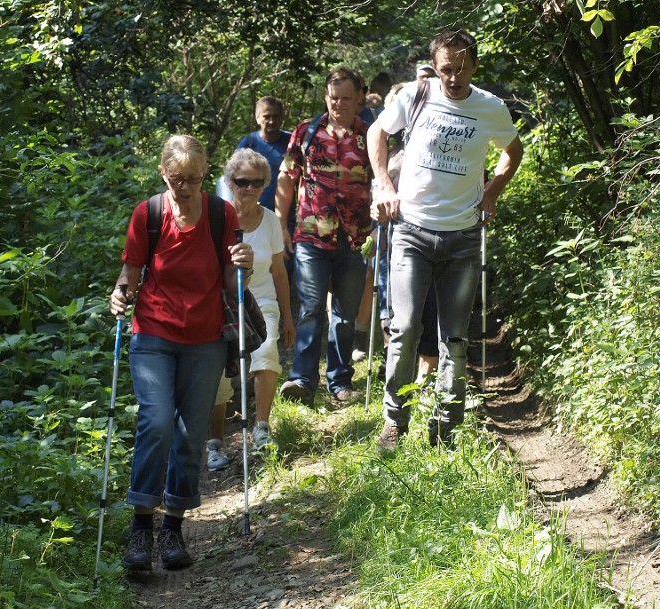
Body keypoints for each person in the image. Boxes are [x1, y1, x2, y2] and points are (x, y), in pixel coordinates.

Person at [368, 29, 523, 449]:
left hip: (463, 236)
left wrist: (491, 193)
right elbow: (377, 134)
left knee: (454, 338)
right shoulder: (416, 95)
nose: (453, 78)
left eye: (460, 68)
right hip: (412, 231)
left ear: (474, 64)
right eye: (445, 69)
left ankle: (446, 431)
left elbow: (513, 151)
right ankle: (395, 423)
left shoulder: (490, 107)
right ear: (436, 68)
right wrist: (384, 184)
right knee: (403, 331)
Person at [109, 134, 254, 570]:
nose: (186, 187)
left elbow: (231, 282)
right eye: (177, 179)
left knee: (191, 434)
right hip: (153, 333)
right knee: (156, 422)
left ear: (204, 176)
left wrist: (243, 263)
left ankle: (172, 529)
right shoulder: (148, 214)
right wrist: (119, 296)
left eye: (193, 178)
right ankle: (141, 528)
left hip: (205, 338)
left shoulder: (219, 213)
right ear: (163, 174)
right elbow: (130, 272)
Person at [276, 67, 373, 406]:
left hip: (356, 238)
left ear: (359, 97)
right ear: (325, 97)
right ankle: (302, 378)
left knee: (345, 315)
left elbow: (384, 183)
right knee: (311, 308)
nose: (339, 104)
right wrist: (280, 223)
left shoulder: (370, 135)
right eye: (333, 98)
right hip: (311, 235)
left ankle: (340, 380)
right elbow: (287, 180)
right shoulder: (306, 132)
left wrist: (381, 228)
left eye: (346, 98)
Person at [207, 149, 296, 465]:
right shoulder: (215, 217)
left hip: (262, 302)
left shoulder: (270, 220)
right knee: (216, 373)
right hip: (221, 304)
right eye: (242, 181)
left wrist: (287, 318)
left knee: (266, 352)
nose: (249, 188)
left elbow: (279, 271)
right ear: (230, 182)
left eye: (257, 183)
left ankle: (261, 428)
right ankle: (214, 443)